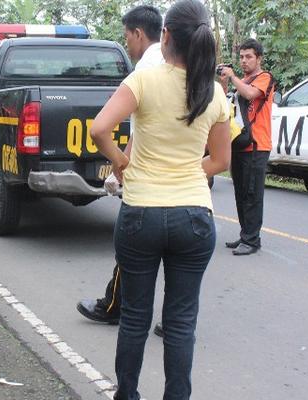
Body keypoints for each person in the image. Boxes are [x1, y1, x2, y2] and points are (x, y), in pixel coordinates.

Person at [89, 1, 231, 398]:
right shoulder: (214, 92)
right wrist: (182, 173)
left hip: (142, 215)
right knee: (182, 322)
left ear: (165, 35)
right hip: (194, 217)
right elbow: (220, 160)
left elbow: (100, 129)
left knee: (135, 318)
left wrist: (121, 163)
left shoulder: (144, 80)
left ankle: (128, 395)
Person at [77, 5, 165, 328]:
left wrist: (119, 162)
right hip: (184, 181)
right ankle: (171, 321)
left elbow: (101, 128)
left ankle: (115, 306)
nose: (126, 43)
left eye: (127, 36)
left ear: (138, 34)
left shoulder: (143, 72)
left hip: (147, 180)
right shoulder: (180, 67)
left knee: (130, 248)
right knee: (175, 255)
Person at [219, 39, 274, 256]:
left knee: (252, 193)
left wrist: (233, 77)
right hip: (240, 145)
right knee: (241, 193)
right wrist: (225, 81)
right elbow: (226, 104)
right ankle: (245, 235)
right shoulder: (241, 81)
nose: (244, 61)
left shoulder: (265, 78)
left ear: (258, 58)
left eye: (249, 56)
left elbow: (251, 94)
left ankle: (252, 240)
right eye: (241, 57)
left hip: (257, 146)